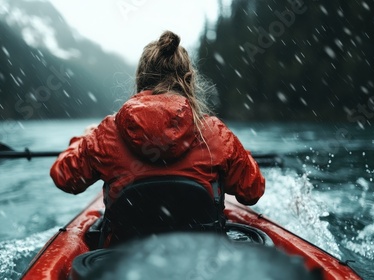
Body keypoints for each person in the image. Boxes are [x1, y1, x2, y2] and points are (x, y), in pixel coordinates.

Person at [50, 31, 265, 207]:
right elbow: (253, 190)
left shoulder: (105, 133)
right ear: (188, 80)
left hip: (125, 255)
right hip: (199, 253)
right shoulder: (216, 134)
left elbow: (64, 176)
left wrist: (85, 138)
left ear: (141, 79)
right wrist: (237, 153)